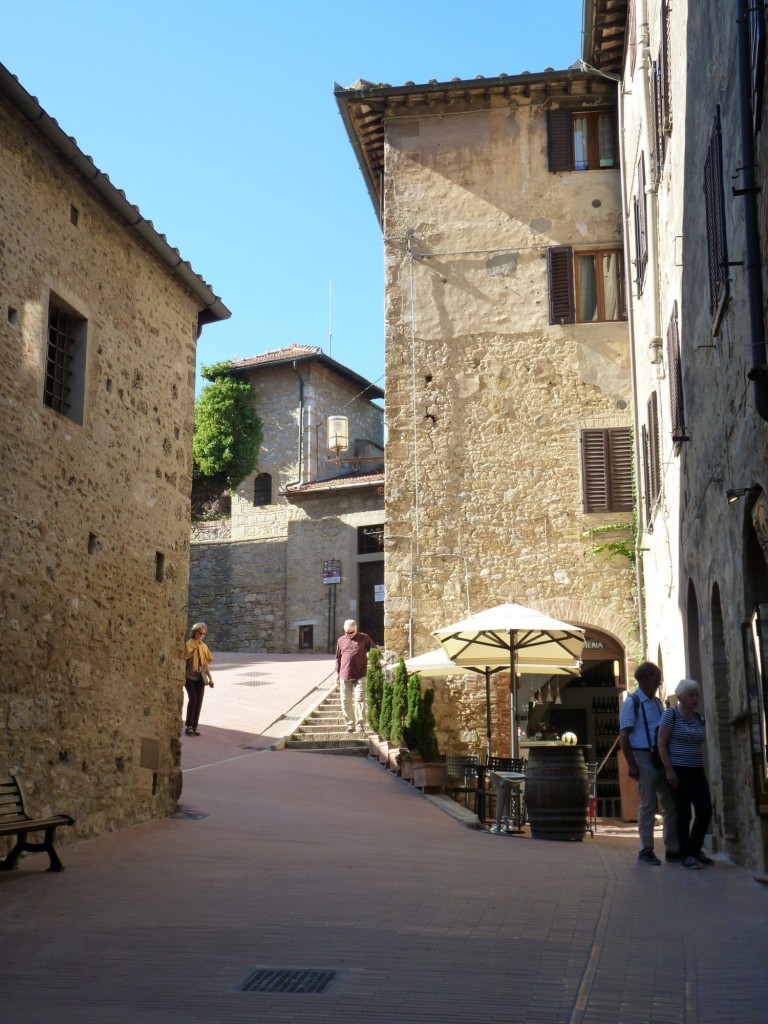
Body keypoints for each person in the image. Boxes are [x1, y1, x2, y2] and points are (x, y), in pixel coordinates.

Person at [619, 661, 680, 865]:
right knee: (648, 803)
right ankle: (645, 850)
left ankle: (672, 848)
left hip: (659, 756)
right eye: (656, 679)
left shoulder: (655, 702)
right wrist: (631, 764)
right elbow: (624, 735)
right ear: (645, 680)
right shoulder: (632, 702)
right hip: (642, 756)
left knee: (670, 802)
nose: (659, 683)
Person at [657, 679, 713, 870]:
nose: (695, 699)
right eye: (691, 695)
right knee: (684, 813)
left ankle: (694, 850)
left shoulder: (698, 718)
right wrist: (669, 770)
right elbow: (662, 743)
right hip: (678, 770)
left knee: (705, 810)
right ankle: (686, 855)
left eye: (696, 695)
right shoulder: (670, 715)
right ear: (680, 697)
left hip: (697, 770)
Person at [335, 619, 374, 733]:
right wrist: (337, 674)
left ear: (356, 629)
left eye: (351, 632)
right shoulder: (341, 640)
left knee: (360, 699)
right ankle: (350, 725)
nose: (348, 634)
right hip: (344, 674)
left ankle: (360, 725)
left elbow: (374, 651)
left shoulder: (364, 638)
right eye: (347, 632)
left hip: (360, 674)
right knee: (345, 701)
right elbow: (338, 658)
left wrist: (379, 661)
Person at [184, 622, 213, 736]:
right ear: (194, 632)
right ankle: (188, 726)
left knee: (199, 701)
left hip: (200, 677)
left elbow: (205, 664)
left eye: (204, 634)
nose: (201, 635)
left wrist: (210, 678)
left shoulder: (204, 647)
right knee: (193, 699)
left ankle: (195, 727)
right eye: (200, 633)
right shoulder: (188, 645)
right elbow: (184, 661)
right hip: (189, 676)